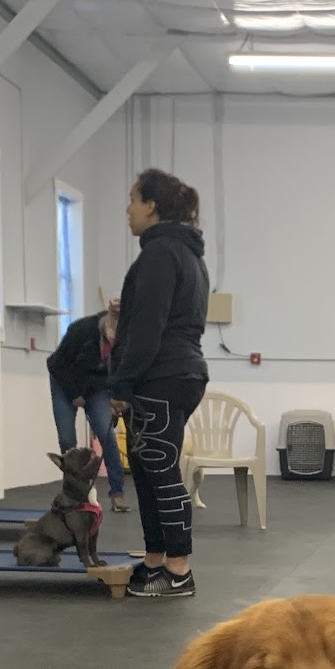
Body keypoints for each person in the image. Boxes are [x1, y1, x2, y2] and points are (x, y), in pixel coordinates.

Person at [108, 168, 210, 599]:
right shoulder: (186, 254)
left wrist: (121, 384)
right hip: (179, 373)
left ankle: (179, 570)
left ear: (151, 205)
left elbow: (148, 329)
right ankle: (155, 561)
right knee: (149, 473)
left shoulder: (159, 253)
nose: (127, 210)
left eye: (132, 199)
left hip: (161, 376)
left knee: (161, 472)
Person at [47, 302, 127, 512]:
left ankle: (117, 493)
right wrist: (75, 394)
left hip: (96, 387)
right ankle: (74, 493)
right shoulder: (80, 330)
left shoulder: (126, 337)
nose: (113, 342)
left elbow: (122, 370)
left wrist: (118, 397)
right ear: (105, 325)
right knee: (67, 439)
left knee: (106, 434)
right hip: (64, 382)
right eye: (111, 337)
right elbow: (56, 364)